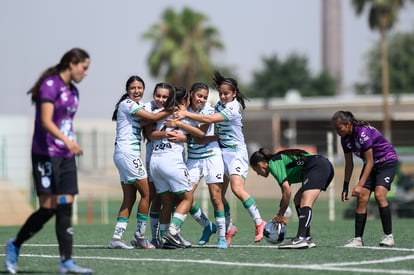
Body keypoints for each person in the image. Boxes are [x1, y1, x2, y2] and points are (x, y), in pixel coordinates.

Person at [4, 48, 93, 274]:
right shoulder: (50, 86)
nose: (86, 73)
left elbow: (65, 122)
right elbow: (45, 121)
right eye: (84, 67)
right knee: (48, 208)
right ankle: (15, 244)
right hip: (45, 154)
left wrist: (69, 145)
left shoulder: (74, 92)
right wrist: (68, 141)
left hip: (65, 156)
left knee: (65, 204)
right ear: (72, 63)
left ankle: (66, 262)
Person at [174, 72, 265, 244]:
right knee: (218, 197)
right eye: (221, 93)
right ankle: (228, 228)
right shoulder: (217, 106)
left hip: (236, 154)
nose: (223, 96)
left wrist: (184, 115)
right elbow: (203, 130)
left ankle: (259, 222)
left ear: (234, 94)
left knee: (237, 189)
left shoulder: (233, 107)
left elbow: (207, 119)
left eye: (226, 94)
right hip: (222, 153)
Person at [107, 77, 172, 250]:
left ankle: (116, 238)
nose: (137, 91)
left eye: (140, 87)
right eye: (133, 88)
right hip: (127, 154)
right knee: (148, 194)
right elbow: (151, 117)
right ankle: (139, 237)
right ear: (127, 90)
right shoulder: (127, 104)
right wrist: (173, 109)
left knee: (129, 198)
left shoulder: (136, 106)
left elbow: (147, 120)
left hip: (124, 154)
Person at [164, 82, 227, 248]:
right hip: (193, 158)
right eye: (199, 96)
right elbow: (188, 135)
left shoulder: (208, 110)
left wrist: (181, 123)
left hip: (212, 156)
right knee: (186, 196)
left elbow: (200, 133)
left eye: (205, 97)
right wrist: (182, 131)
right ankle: (208, 226)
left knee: (215, 196)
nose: (202, 100)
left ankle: (222, 236)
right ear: (191, 94)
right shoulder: (182, 109)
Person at [331, 110, 398, 247]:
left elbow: (370, 161)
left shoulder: (363, 133)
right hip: (371, 165)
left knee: (379, 194)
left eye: (339, 128)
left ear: (348, 124)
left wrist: (359, 185)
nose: (337, 131)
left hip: (387, 162)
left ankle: (388, 236)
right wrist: (345, 186)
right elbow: (349, 164)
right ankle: (358, 239)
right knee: (362, 198)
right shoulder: (344, 139)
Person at [149, 86, 205, 248]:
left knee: (167, 202)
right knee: (188, 198)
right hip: (171, 162)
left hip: (155, 161)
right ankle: (173, 232)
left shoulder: (160, 114)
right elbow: (200, 134)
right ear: (182, 101)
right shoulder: (183, 115)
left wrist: (184, 137)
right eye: (187, 99)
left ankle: (165, 239)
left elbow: (151, 130)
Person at [249, 148, 334, 249]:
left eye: (256, 170)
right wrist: (282, 214)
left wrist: (280, 214)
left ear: (260, 164)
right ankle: (307, 238)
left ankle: (301, 238)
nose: (258, 174)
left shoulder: (273, 163)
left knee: (305, 202)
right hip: (321, 166)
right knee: (298, 199)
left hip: (318, 166)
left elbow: (287, 191)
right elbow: (285, 195)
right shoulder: (278, 162)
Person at [142, 83, 173, 248]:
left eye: (165, 97)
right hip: (153, 157)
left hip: (172, 159)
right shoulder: (147, 108)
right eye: (158, 96)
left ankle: (169, 234)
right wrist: (168, 132)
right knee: (155, 196)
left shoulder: (175, 108)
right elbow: (150, 134)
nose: (161, 99)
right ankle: (153, 237)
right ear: (153, 95)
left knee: (171, 198)